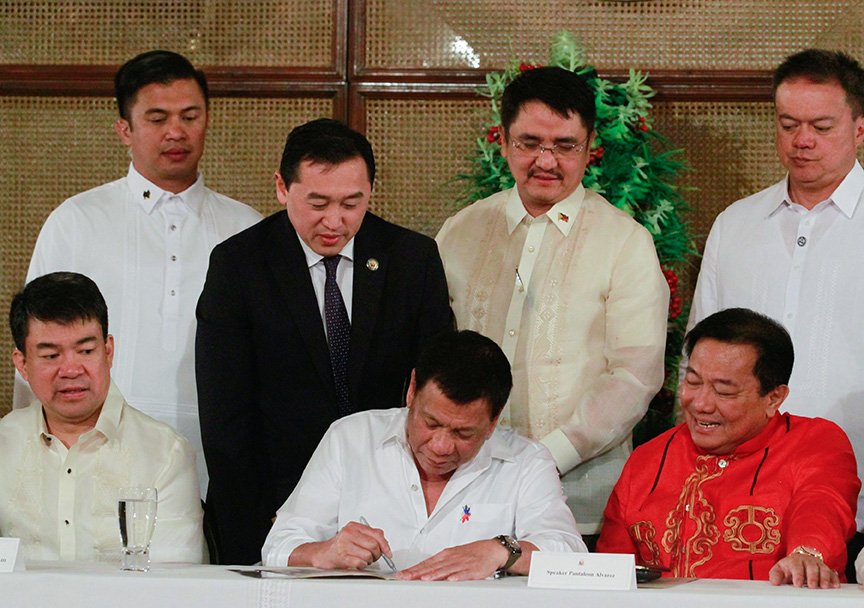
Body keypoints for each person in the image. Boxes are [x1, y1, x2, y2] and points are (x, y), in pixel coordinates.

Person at [197, 117, 453, 565]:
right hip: (275, 508)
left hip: (389, 510)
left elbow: (432, 390)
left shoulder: (412, 260)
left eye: (352, 203)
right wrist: (275, 528)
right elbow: (225, 417)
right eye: (317, 202)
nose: (335, 221)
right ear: (282, 187)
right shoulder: (239, 265)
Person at [435, 66, 669, 545]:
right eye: (529, 143)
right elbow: (435, 352)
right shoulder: (460, 231)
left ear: (590, 147)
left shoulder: (624, 241)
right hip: (460, 487)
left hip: (578, 497)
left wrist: (548, 456)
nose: (546, 160)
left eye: (565, 145)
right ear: (502, 141)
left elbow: (634, 375)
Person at [17, 50, 262, 496]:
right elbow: (37, 350)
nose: (176, 131)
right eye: (157, 118)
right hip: (96, 459)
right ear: (124, 130)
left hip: (225, 465)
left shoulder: (248, 229)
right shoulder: (77, 221)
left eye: (190, 115)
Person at [687, 49, 864, 579]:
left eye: (820, 126)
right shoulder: (737, 224)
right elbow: (699, 362)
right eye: (788, 125)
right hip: (742, 501)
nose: (802, 140)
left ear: (859, 128)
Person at [262, 330, 585, 579]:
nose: (441, 446)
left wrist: (502, 551)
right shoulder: (350, 438)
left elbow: (571, 556)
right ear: (412, 389)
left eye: (463, 433)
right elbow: (277, 547)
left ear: (495, 419)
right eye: (431, 423)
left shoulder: (526, 462)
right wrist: (323, 553)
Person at [598, 308, 859, 588]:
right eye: (693, 382)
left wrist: (807, 553)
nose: (701, 404)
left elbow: (822, 504)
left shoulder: (814, 441)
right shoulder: (648, 459)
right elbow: (609, 573)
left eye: (724, 391)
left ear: (774, 397)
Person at [0, 272, 204, 563]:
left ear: (108, 352)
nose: (71, 369)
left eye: (85, 350)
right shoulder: (4, 445)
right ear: (22, 364)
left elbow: (175, 582)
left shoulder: (165, 454)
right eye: (50, 356)